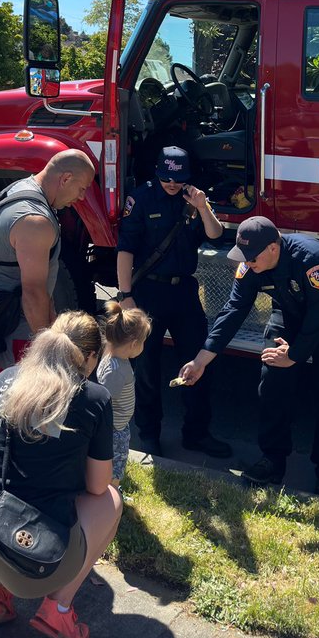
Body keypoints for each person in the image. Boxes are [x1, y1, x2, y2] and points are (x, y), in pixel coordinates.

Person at [0, 312, 122, 638]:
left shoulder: (4, 379)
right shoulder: (94, 397)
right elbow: (98, 486)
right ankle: (58, 610)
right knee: (110, 500)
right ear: (89, 358)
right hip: (31, 559)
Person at [180, 215, 319, 494]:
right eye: (245, 256)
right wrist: (201, 358)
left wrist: (296, 354)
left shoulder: (310, 261)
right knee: (273, 381)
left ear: (273, 248)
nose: (248, 263)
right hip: (288, 308)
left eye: (252, 257)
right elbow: (234, 309)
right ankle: (273, 461)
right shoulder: (251, 265)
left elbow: (318, 314)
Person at [116, 146, 231, 459]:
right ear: (157, 171)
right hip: (148, 294)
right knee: (147, 369)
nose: (171, 183)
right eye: (166, 177)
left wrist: (203, 207)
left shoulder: (192, 200)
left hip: (184, 293)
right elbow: (125, 249)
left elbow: (216, 235)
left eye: (177, 178)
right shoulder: (141, 198)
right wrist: (126, 297)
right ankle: (149, 434)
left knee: (198, 362)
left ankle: (197, 433)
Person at [0, 149, 96, 368]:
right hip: (14, 341)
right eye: (82, 188)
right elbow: (33, 294)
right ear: (66, 178)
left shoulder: (19, 188)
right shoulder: (35, 221)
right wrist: (48, 355)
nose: (81, 197)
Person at [96, 300, 152, 488]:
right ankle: (112, 493)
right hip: (115, 429)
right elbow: (105, 402)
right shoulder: (118, 371)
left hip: (117, 425)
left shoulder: (109, 355)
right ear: (134, 344)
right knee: (116, 463)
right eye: (143, 342)